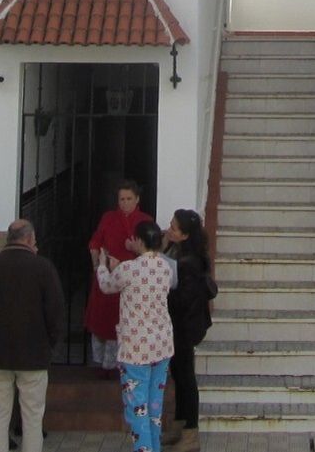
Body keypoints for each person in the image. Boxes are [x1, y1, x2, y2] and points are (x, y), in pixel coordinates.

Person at [0, 219, 66, 452]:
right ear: (28, 239)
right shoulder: (43, 267)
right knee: (33, 418)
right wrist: (50, 344)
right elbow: (55, 310)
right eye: (34, 239)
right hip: (33, 355)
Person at [95, 220, 175, 452]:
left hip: (135, 349)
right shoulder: (165, 267)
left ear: (139, 241)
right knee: (154, 407)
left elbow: (107, 285)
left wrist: (102, 265)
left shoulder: (127, 269)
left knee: (136, 408)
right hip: (161, 345)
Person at [85, 180, 153, 379]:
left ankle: (120, 366)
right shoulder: (108, 218)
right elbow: (96, 241)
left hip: (131, 281)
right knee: (102, 322)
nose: (124, 203)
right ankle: (101, 366)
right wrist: (98, 264)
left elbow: (151, 250)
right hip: (107, 278)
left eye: (129, 199)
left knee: (123, 322)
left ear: (137, 199)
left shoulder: (145, 220)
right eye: (121, 199)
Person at [161, 209, 213, 452]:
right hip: (178, 325)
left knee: (186, 378)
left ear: (184, 235)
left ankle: (190, 433)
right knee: (179, 375)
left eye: (173, 228)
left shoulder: (188, 263)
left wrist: (164, 297)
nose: (168, 230)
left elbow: (183, 298)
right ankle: (180, 425)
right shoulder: (179, 252)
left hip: (183, 327)